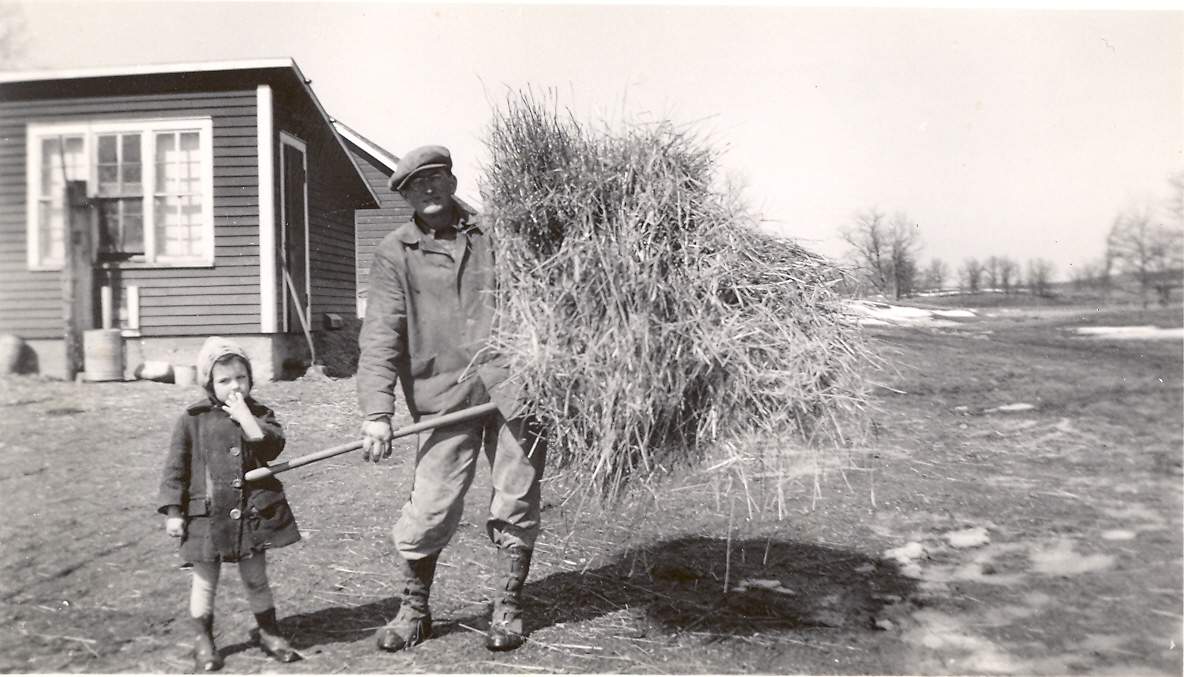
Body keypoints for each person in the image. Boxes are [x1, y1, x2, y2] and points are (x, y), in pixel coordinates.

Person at [357, 145, 547, 653]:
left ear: (452, 181)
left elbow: (543, 297)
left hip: (515, 389)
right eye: (415, 185)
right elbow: (380, 335)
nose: (428, 189)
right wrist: (377, 411)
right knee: (431, 505)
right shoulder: (395, 253)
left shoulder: (498, 233)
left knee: (517, 497)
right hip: (444, 395)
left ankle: (507, 608)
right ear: (405, 197)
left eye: (436, 177)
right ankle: (414, 610)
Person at [158, 337, 302, 672]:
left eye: (241, 377)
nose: (235, 386)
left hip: (250, 514)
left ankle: (269, 633)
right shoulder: (192, 419)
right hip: (206, 517)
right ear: (209, 383)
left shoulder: (259, 414)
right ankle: (204, 640)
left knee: (256, 578)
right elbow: (175, 469)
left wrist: (246, 418)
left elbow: (273, 447)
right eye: (224, 380)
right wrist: (174, 511)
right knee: (205, 581)